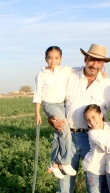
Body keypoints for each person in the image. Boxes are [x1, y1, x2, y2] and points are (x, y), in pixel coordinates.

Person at [48, 43, 110, 193]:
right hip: (67, 138)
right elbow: (50, 92)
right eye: (92, 60)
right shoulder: (69, 75)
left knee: (97, 186)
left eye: (100, 62)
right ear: (85, 59)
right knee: (65, 186)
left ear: (104, 64)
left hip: (93, 140)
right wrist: (51, 118)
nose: (95, 65)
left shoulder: (108, 85)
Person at [33, 46, 77, 179]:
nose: (53, 60)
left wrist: (101, 73)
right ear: (45, 58)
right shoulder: (41, 74)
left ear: (61, 59)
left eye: (56, 58)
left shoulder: (65, 70)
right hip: (49, 105)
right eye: (50, 57)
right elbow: (38, 94)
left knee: (58, 133)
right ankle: (65, 161)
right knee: (65, 130)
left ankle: (54, 164)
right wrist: (37, 113)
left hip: (61, 104)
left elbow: (83, 69)